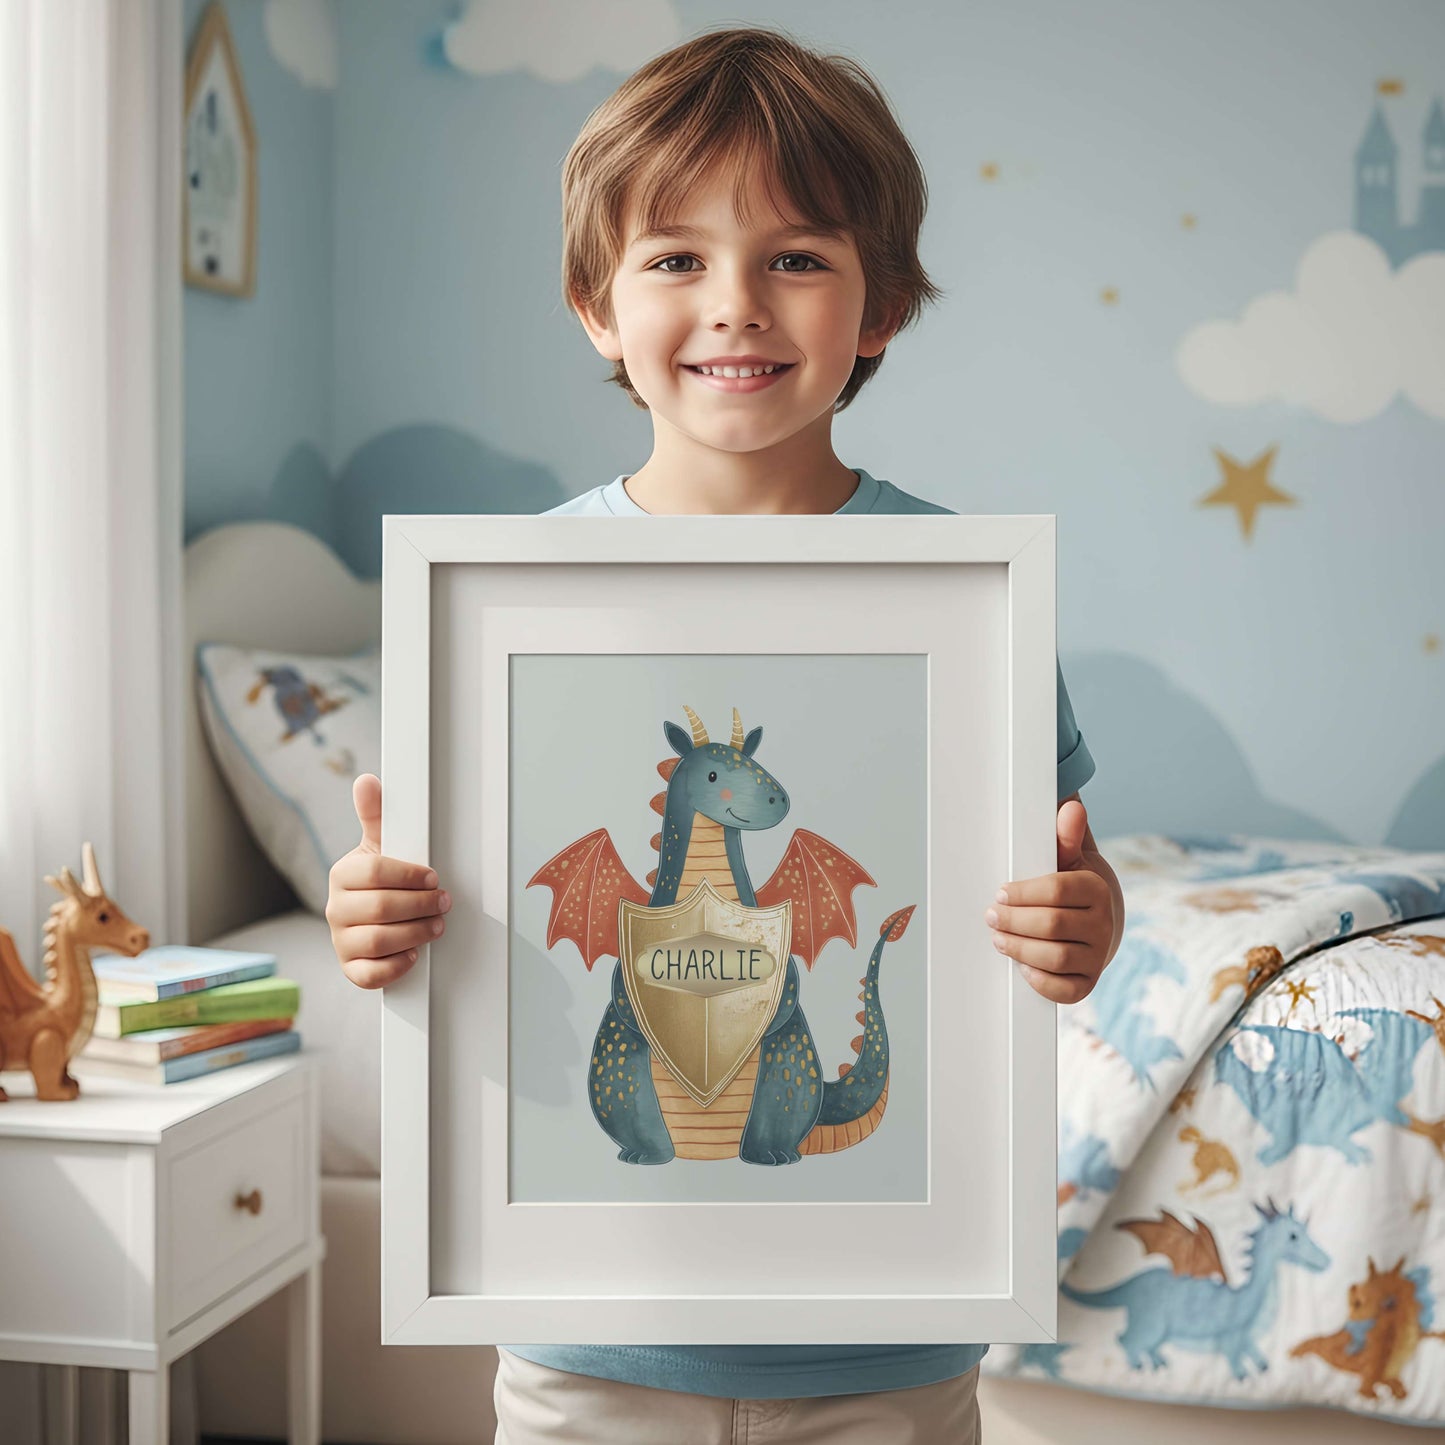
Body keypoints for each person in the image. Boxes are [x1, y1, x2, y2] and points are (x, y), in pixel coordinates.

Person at [326, 23, 1125, 1445]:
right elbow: (444, 904)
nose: (736, 304)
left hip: (884, 1344)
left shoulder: (965, 599)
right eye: (676, 258)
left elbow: (1060, 876)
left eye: (797, 258)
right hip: (586, 1339)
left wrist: (1085, 921)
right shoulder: (512, 605)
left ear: (877, 308)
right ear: (594, 304)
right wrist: (377, 920)